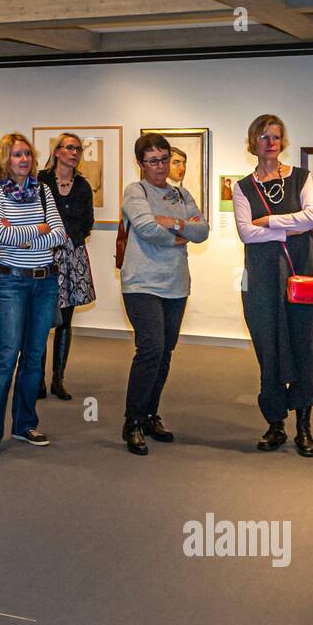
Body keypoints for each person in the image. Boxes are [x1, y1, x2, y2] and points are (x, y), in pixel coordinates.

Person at [233, 114, 313, 457]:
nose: (270, 142)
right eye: (263, 137)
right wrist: (291, 226)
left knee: (305, 345)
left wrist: (269, 222)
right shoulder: (242, 187)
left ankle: (304, 428)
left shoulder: (301, 177)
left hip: (304, 273)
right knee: (268, 346)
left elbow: (312, 217)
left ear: (282, 142)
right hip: (262, 277)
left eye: (275, 137)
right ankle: (275, 425)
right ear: (252, 143)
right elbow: (246, 232)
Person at [0, 133, 67, 461]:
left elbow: (59, 234)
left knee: (33, 356)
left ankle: (25, 423)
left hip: (45, 284)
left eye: (27, 154)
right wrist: (38, 231)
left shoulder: (43, 190)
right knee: (6, 356)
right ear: (5, 159)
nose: (24, 160)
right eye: (17, 155)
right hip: (13, 284)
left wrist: (26, 236)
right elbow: (2, 234)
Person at [120, 133, 208, 454]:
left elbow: (202, 230)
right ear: (142, 164)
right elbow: (145, 227)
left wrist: (174, 223)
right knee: (150, 348)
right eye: (153, 160)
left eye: (165, 159)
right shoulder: (136, 191)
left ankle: (148, 415)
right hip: (141, 284)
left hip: (176, 285)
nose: (160, 166)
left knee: (165, 352)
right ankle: (132, 422)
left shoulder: (181, 193)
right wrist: (181, 231)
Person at [36, 132, 95, 400]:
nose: (74, 153)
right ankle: (37, 378)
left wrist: (72, 235)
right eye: (69, 148)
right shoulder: (41, 181)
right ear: (57, 151)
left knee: (65, 320)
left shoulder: (82, 185)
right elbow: (34, 214)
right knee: (41, 319)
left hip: (72, 256)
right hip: (44, 255)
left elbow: (88, 221)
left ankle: (58, 378)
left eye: (78, 149)